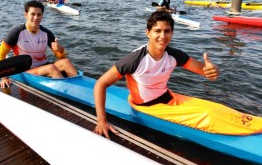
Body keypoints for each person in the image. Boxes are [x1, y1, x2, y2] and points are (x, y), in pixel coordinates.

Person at [93, 11, 219, 139]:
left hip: (167, 97)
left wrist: (213, 70)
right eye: (157, 31)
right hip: (147, 107)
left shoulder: (175, 55)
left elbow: (204, 70)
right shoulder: (134, 60)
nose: (162, 36)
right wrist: (101, 121)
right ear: (148, 33)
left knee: (216, 110)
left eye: (167, 31)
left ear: (172, 33)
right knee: (208, 115)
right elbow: (100, 84)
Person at [0, 0, 78, 89]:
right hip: (25, 70)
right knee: (51, 68)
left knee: (66, 62)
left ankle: (79, 87)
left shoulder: (46, 33)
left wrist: (60, 50)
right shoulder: (16, 33)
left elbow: (61, 57)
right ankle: (68, 91)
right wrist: (4, 77)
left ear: (42, 16)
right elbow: (1, 54)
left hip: (43, 66)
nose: (36, 17)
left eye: (39, 14)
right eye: (32, 14)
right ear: (26, 15)